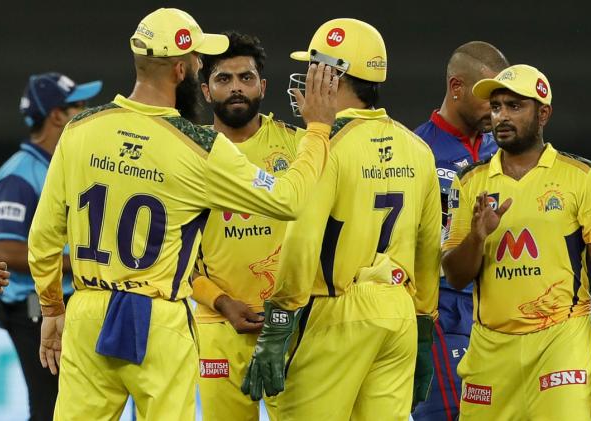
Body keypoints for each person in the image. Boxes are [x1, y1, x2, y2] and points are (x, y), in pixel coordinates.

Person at [27, 7, 337, 421]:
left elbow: (44, 237)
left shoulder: (81, 128)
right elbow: (288, 200)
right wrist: (318, 129)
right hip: (159, 317)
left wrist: (52, 310)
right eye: (198, 62)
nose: (199, 68)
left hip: (87, 310)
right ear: (180, 71)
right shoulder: (199, 147)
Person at [241, 18, 442, 421]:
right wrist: (422, 331)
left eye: (315, 69)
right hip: (398, 314)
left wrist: (279, 322)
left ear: (332, 78)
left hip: (336, 313)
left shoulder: (323, 147)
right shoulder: (417, 149)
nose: (306, 80)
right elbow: (427, 250)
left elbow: (301, 244)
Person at [442, 64, 591, 420]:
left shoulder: (581, 177)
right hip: (490, 350)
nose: (502, 117)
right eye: (496, 107)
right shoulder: (469, 182)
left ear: (543, 113)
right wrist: (477, 237)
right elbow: (455, 277)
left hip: (561, 341)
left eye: (515, 106)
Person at [192, 31, 305, 421]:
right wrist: (221, 301)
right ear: (206, 91)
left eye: (246, 78)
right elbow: (173, 253)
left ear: (263, 86)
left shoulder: (299, 147)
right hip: (217, 323)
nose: (236, 88)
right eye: (224, 79)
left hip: (291, 323)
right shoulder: (189, 153)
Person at [0, 72, 101, 421]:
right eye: (78, 106)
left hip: (61, 304)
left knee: (74, 407)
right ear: (57, 115)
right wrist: (80, 261)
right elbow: (3, 252)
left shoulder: (64, 166)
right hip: (32, 312)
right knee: (50, 409)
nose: (86, 113)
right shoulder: (19, 175)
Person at [411, 41, 509, 421]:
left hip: (500, 315)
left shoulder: (502, 154)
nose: (497, 109)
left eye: (502, 99)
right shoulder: (417, 151)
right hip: (443, 313)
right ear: (456, 87)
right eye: (488, 98)